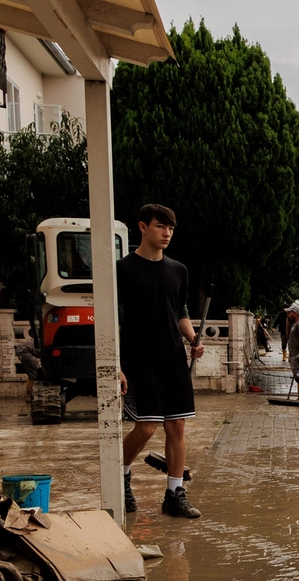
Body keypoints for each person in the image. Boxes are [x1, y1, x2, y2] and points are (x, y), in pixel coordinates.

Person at [118, 203, 204, 519]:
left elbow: (179, 311)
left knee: (177, 426)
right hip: (139, 359)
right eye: (160, 226)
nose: (167, 233)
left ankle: (174, 494)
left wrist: (193, 339)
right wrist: (116, 364)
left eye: (170, 228)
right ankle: (121, 473)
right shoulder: (123, 269)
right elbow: (117, 318)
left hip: (173, 358)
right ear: (142, 227)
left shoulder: (178, 270)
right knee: (146, 428)